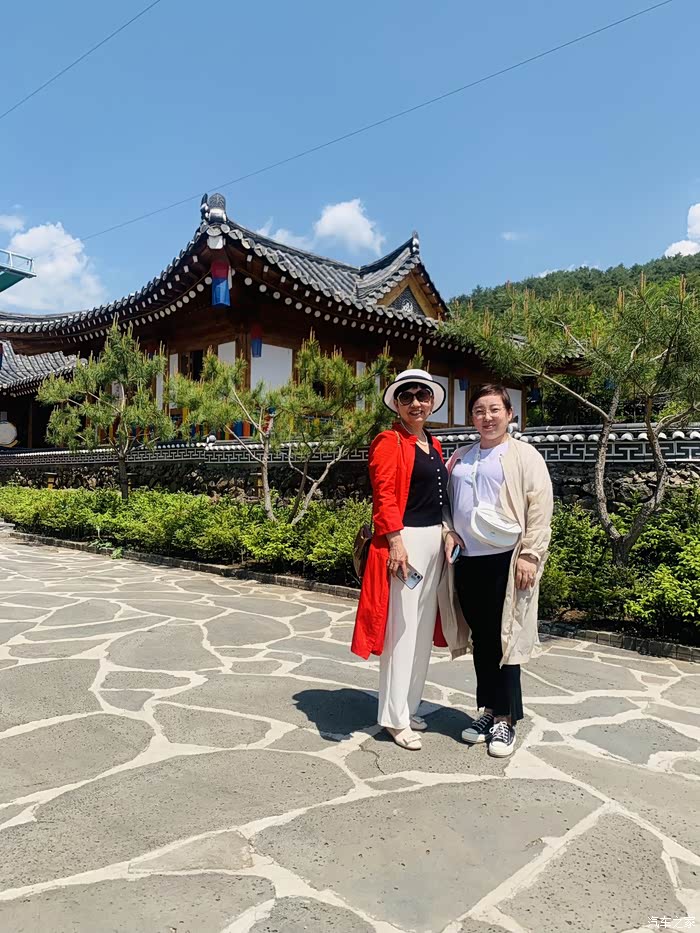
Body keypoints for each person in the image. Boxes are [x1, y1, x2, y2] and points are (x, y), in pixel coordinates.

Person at [441, 384, 553, 758]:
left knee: (508, 640)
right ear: (471, 417)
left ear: (509, 414)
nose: (487, 417)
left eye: (494, 410)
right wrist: (448, 531)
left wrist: (530, 555)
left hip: (508, 560)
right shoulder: (460, 457)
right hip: (468, 561)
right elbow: (445, 505)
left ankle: (506, 717)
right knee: (483, 640)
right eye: (479, 411)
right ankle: (488, 710)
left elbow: (540, 509)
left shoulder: (525, 456)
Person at [352, 369, 448, 750]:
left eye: (422, 395)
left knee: (422, 628)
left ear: (432, 401)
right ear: (396, 403)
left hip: (433, 541)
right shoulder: (388, 441)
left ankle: (409, 705)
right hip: (405, 540)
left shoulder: (433, 444)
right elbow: (384, 495)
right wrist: (395, 541)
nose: (415, 403)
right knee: (402, 630)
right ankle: (394, 716)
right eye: (406, 396)